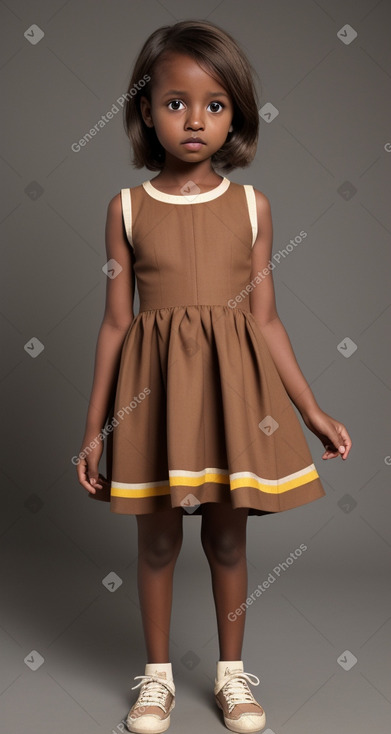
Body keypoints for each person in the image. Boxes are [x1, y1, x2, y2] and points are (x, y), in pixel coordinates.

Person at [76, 19, 352, 734]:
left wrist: (311, 409)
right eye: (174, 102)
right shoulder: (127, 209)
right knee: (158, 539)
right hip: (154, 396)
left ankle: (232, 677)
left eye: (215, 104)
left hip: (237, 397)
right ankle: (157, 679)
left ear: (236, 115)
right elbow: (115, 323)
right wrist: (94, 432)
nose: (195, 119)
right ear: (145, 110)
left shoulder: (253, 206)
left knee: (228, 538)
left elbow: (264, 319)